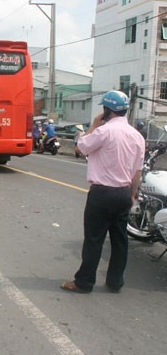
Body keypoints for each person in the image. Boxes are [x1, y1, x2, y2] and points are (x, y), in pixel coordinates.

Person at [61, 90, 145, 294]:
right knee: (120, 240)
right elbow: (137, 173)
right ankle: (115, 281)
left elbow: (81, 147)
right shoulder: (137, 136)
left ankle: (84, 282)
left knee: (94, 239)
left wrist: (93, 126)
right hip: (124, 193)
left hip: (102, 194)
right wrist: (132, 195)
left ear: (107, 110)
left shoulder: (103, 131)